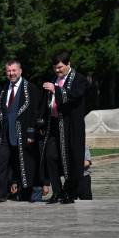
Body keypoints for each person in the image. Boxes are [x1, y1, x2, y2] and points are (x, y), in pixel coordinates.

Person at [37, 51, 88, 204]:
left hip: (71, 126)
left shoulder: (80, 79)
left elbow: (74, 97)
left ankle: (69, 193)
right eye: (55, 68)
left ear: (68, 64)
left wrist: (56, 90)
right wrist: (40, 122)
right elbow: (45, 103)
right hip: (53, 125)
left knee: (72, 158)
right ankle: (57, 191)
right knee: (50, 157)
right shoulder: (54, 79)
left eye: (60, 67)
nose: (57, 71)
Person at [0, 59, 38, 203]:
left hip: (22, 134)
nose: (11, 73)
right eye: (8, 71)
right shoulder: (2, 89)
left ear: (20, 71)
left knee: (24, 163)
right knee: (1, 161)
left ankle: (27, 194)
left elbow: (35, 112)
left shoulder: (31, 88)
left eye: (14, 70)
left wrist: (31, 132)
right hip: (4, 133)